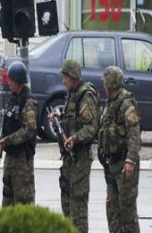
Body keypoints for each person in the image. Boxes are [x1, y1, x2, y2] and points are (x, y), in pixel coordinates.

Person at [52, 59, 99, 233]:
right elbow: (73, 117)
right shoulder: (72, 94)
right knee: (66, 204)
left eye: (65, 77)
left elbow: (91, 128)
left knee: (78, 210)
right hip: (68, 159)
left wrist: (75, 138)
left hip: (79, 159)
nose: (63, 81)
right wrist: (59, 116)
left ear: (73, 76)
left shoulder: (85, 96)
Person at [98, 66, 141, 233]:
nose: (104, 87)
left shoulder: (126, 104)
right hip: (111, 165)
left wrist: (131, 160)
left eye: (106, 84)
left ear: (112, 85)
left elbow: (134, 134)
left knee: (127, 212)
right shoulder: (110, 103)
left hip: (124, 165)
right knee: (112, 210)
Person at [0, 61, 38, 206]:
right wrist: (2, 115)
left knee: (23, 204)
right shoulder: (13, 98)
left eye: (11, 80)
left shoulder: (29, 103)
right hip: (10, 159)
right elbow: (11, 117)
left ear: (18, 81)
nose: (9, 83)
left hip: (22, 162)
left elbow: (28, 130)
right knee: (7, 203)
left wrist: (8, 140)